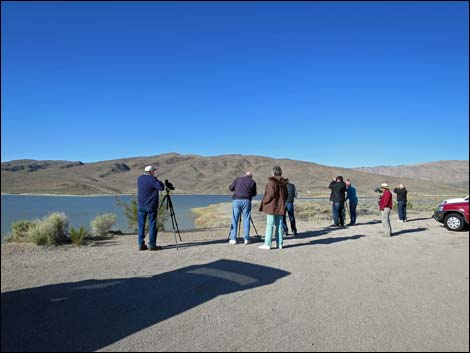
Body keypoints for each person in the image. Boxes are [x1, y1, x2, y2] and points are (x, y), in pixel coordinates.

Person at [259, 166, 288, 250]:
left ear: (273, 172)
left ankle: (267, 244)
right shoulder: (284, 183)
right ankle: (280, 244)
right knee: (279, 226)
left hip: (271, 207)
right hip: (280, 207)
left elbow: (270, 194)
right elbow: (286, 195)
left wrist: (264, 201)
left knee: (270, 225)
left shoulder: (272, 182)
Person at [137, 165, 165, 251]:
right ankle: (152, 245)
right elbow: (161, 188)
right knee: (152, 225)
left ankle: (141, 244)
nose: (154, 172)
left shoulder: (140, 178)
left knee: (141, 225)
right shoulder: (152, 179)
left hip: (141, 205)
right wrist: (156, 179)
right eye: (153, 171)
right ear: (150, 171)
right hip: (150, 206)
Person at [228, 171, 257, 245]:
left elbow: (231, 188)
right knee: (246, 219)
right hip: (246, 201)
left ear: (245, 175)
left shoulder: (238, 179)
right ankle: (246, 239)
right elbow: (254, 194)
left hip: (236, 200)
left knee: (234, 219)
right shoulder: (252, 181)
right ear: (251, 176)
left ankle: (233, 239)